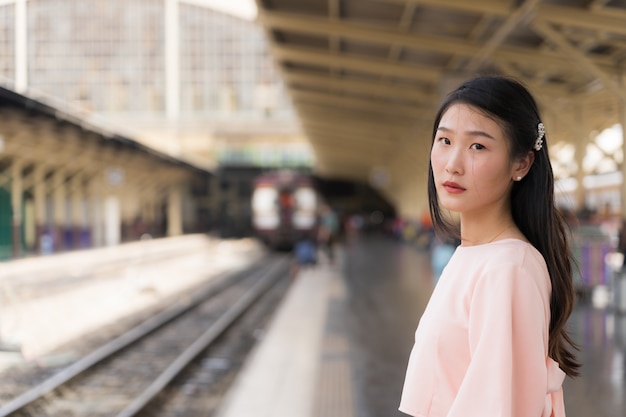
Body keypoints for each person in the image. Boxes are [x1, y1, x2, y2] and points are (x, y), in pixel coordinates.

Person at [399, 75, 579, 417]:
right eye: (445, 140)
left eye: (477, 146)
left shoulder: (508, 268)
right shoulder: (474, 256)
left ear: (521, 164)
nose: (452, 163)